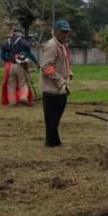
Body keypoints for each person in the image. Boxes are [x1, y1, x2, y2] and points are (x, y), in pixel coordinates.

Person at [39, 19, 73, 147]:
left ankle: (54, 141)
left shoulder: (61, 45)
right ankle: (51, 142)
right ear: (56, 31)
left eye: (66, 32)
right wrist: (60, 81)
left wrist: (69, 71)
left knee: (55, 118)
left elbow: (63, 62)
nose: (65, 34)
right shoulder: (52, 45)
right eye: (62, 32)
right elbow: (46, 66)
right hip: (52, 89)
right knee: (52, 118)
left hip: (60, 88)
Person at [0, 27, 39, 106]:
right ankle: (23, 98)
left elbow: (2, 55)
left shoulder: (5, 42)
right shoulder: (23, 43)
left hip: (10, 66)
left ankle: (12, 101)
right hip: (20, 65)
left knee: (11, 84)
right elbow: (29, 54)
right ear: (20, 34)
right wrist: (37, 63)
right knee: (23, 83)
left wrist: (7, 61)